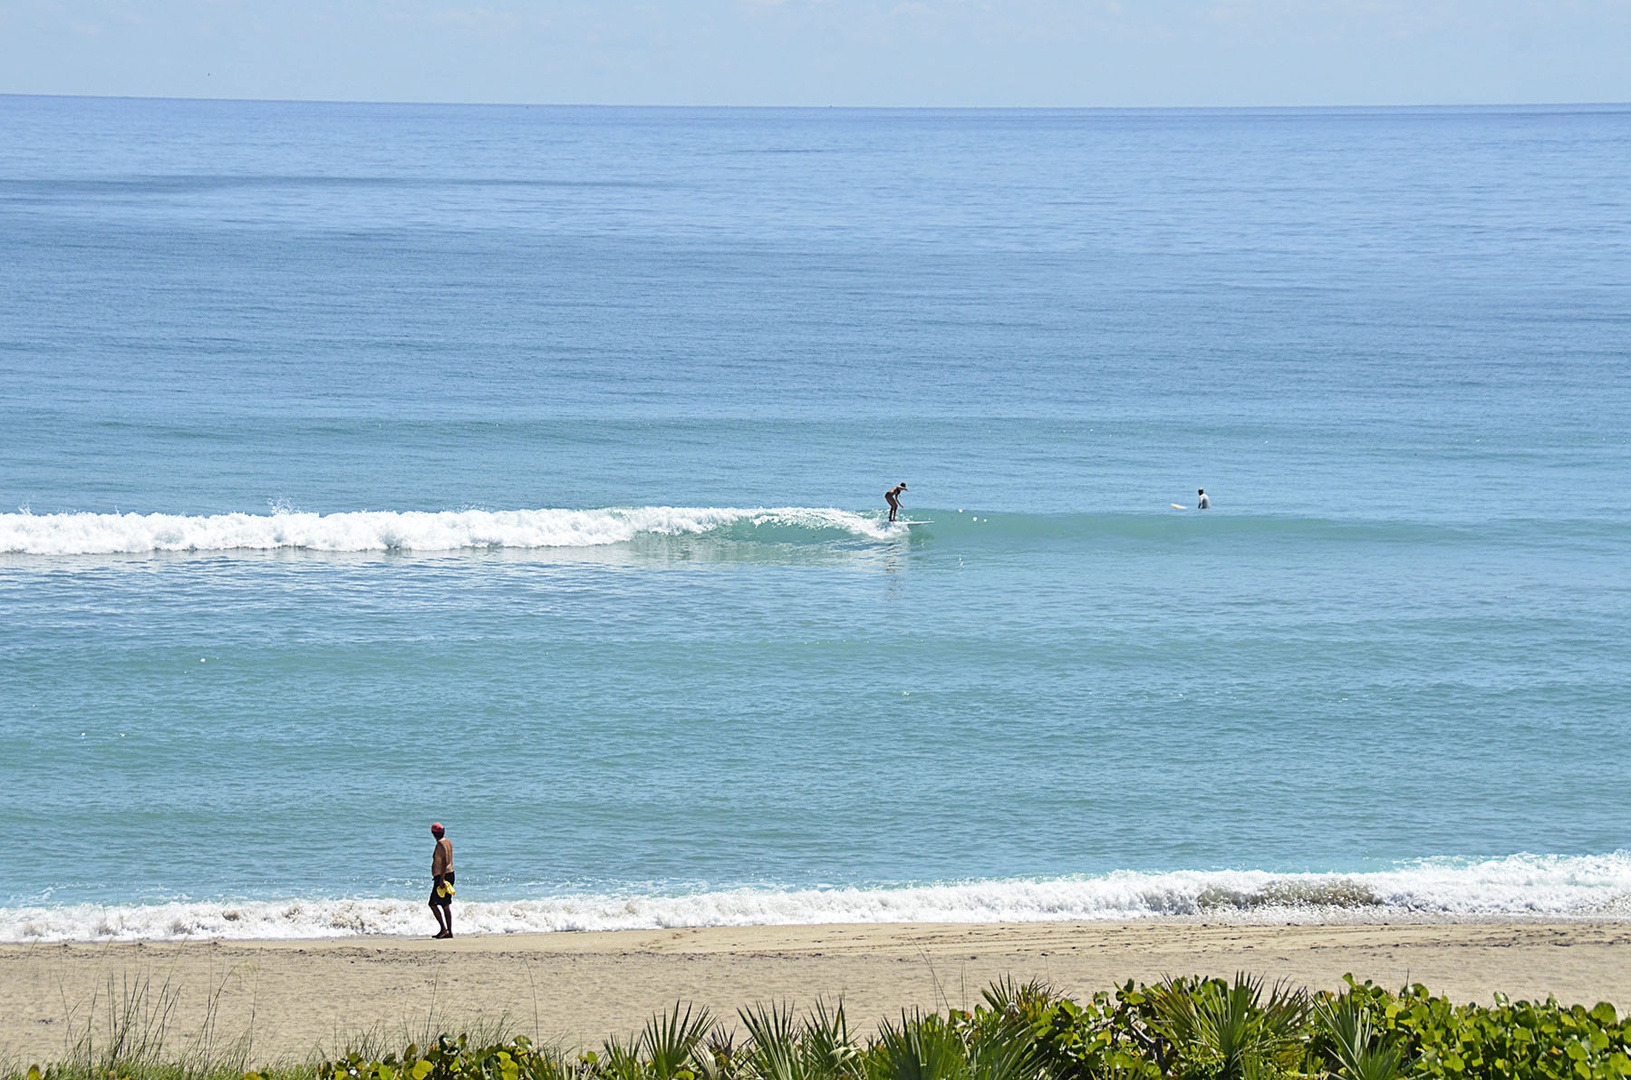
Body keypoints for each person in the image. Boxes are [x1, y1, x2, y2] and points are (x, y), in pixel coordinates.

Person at [429, 821, 454, 938]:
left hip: (443, 876)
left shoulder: (440, 844)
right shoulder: (447, 841)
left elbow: (444, 861)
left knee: (433, 904)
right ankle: (449, 931)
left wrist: (442, 879)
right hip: (449, 874)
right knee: (445, 904)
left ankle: (444, 929)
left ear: (433, 833)